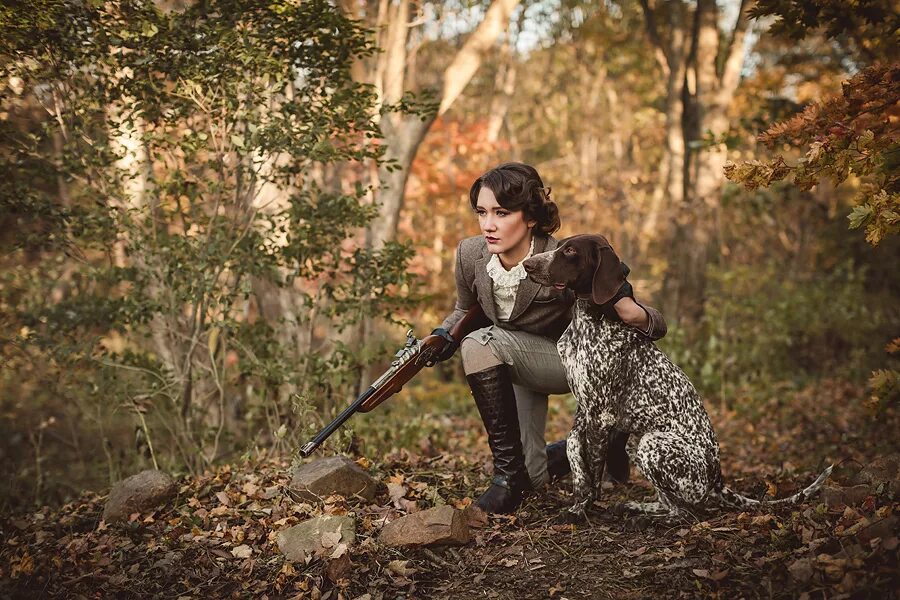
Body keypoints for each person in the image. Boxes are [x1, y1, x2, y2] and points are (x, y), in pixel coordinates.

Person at [430, 162, 667, 514]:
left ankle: (505, 479)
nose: (488, 224)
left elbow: (649, 319)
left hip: (563, 362)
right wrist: (436, 337)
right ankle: (581, 448)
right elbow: (464, 308)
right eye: (481, 212)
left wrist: (638, 314)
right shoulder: (470, 254)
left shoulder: (563, 257)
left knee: (480, 343)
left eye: (501, 212)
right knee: (535, 477)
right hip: (512, 358)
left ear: (529, 217)